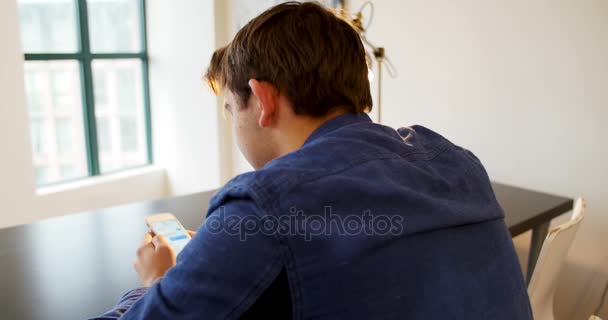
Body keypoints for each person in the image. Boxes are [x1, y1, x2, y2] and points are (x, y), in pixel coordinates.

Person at [91, 2, 532, 319]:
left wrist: (157, 280)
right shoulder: (456, 163)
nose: (232, 123)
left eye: (230, 109)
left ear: (262, 101)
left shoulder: (263, 204)